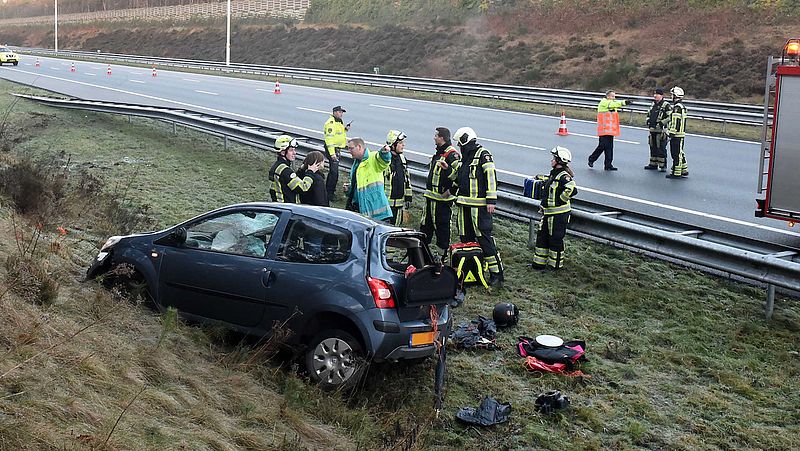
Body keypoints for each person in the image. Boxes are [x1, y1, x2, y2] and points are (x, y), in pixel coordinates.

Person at [452, 127, 504, 286]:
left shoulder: (483, 155)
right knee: (466, 240)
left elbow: (491, 177)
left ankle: (497, 274)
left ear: (465, 141)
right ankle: (472, 271)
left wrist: (491, 201)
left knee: (484, 239)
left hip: (480, 208)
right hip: (464, 206)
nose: (459, 146)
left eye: (460, 143)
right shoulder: (465, 158)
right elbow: (460, 179)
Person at [531, 146, 578, 270]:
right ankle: (538, 264)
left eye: (553, 158)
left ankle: (555, 266)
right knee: (542, 238)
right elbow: (549, 180)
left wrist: (560, 199)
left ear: (559, 161)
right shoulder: (554, 173)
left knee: (555, 241)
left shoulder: (564, 176)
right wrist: (538, 177)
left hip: (559, 215)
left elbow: (572, 189)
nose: (551, 160)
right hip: (548, 214)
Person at [421, 127, 461, 259]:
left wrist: (451, 191)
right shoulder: (439, 153)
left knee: (442, 230)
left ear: (442, 138)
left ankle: (441, 258)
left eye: (436, 135)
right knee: (426, 227)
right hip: (431, 200)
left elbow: (460, 176)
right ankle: (422, 255)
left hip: (443, 203)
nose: (434, 138)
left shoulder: (452, 155)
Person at [344, 137, 393, 222]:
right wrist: (349, 189)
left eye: (351, 148)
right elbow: (359, 185)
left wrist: (384, 153)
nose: (349, 151)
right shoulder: (356, 164)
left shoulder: (372, 158)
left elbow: (383, 160)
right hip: (362, 212)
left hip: (378, 215)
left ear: (359, 147)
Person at [588, 90, 631, 171]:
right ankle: (591, 159)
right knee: (602, 146)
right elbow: (613, 104)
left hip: (610, 130)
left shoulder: (611, 103)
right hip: (603, 130)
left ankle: (608, 165)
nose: (614, 98)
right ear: (608, 96)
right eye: (612, 96)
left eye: (614, 96)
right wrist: (624, 102)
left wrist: (624, 102)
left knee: (609, 148)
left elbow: (614, 104)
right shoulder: (604, 103)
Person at [268, 135, 313, 203]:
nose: (294, 153)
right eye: (291, 150)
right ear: (283, 152)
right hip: (287, 208)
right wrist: (310, 172)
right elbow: (303, 188)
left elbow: (289, 183)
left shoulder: (277, 166)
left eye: (294, 150)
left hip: (279, 206)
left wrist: (302, 170)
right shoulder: (285, 171)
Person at [384, 130, 412, 226]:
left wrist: (408, 197)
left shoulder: (402, 159)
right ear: (392, 144)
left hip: (399, 205)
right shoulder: (384, 160)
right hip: (386, 205)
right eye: (400, 143)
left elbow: (407, 180)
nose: (403, 145)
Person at [323, 105, 350, 200]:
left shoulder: (338, 122)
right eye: (339, 112)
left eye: (342, 112)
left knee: (333, 172)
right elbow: (329, 139)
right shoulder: (331, 123)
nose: (341, 114)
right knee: (334, 174)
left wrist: (345, 129)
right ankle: (329, 194)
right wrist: (332, 154)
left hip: (337, 149)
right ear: (334, 112)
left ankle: (328, 192)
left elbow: (338, 133)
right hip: (332, 149)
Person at [644, 88, 672, 172]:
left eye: (657, 94)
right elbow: (649, 113)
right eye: (654, 94)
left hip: (661, 130)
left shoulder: (666, 105)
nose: (655, 95)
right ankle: (653, 164)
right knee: (652, 146)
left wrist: (661, 123)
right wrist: (648, 120)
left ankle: (662, 165)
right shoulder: (653, 104)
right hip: (652, 129)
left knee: (661, 147)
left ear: (662, 96)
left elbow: (670, 117)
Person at [666, 86, 689, 179]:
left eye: (672, 95)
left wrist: (671, 133)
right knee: (680, 152)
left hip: (677, 134)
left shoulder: (677, 108)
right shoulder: (682, 106)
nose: (671, 96)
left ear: (675, 96)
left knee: (676, 154)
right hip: (680, 134)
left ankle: (676, 172)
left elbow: (675, 122)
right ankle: (684, 170)